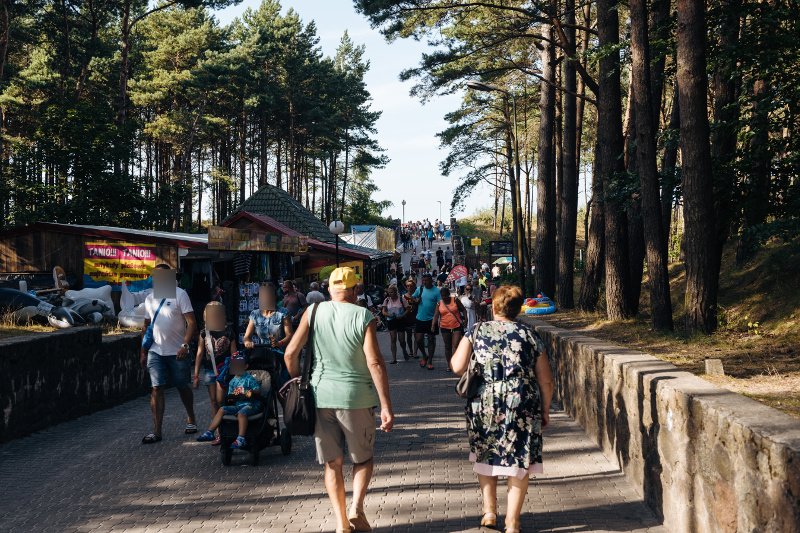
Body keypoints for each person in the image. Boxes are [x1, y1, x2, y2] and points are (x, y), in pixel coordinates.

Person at [284, 267, 394, 533]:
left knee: (332, 463)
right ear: (355, 290)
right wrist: (386, 406)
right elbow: (375, 362)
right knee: (363, 459)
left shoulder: (313, 312)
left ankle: (341, 522)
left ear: (329, 289)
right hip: (357, 398)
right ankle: (357, 507)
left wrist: (301, 381)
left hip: (321, 397)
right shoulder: (364, 315)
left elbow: (290, 353)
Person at [451, 285, 554, 533]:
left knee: (486, 454)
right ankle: (512, 521)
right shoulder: (530, 335)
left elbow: (457, 366)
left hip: (483, 402)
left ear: (494, 306)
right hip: (521, 403)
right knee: (520, 459)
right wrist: (546, 409)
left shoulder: (476, 331)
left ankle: (489, 512)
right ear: (518, 309)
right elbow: (546, 380)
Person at [140, 264, 198, 444]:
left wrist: (185, 345)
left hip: (177, 351)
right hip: (156, 351)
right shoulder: (149, 298)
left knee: (182, 385)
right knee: (156, 388)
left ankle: (191, 418)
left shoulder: (180, 294)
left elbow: (192, 322)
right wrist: (143, 350)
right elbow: (147, 326)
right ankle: (157, 430)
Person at [196, 352, 262, 449]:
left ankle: (241, 438)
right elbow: (230, 397)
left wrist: (246, 393)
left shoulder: (249, 379)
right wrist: (233, 396)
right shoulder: (232, 381)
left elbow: (257, 391)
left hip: (250, 404)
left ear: (245, 366)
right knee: (222, 409)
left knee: (241, 413)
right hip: (238, 404)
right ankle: (210, 432)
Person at [193, 301, 236, 445]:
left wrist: (235, 373)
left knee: (221, 400)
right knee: (213, 402)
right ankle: (218, 432)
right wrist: (196, 374)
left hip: (224, 370)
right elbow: (200, 353)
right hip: (209, 370)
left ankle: (228, 428)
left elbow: (234, 354)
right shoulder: (204, 332)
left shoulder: (229, 331)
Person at [431, 286, 467, 372]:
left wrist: (466, 319)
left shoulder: (455, 300)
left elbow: (464, 310)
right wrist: (433, 325)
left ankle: (456, 363)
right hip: (444, 326)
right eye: (442, 296)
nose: (444, 297)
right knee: (447, 347)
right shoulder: (439, 303)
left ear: (449, 294)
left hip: (456, 325)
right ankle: (449, 364)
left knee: (455, 345)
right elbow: (436, 315)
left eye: (446, 295)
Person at [411, 273, 441, 370]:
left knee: (431, 339)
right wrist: (415, 300)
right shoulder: (420, 289)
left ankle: (430, 360)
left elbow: (439, 305)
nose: (425, 282)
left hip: (431, 319)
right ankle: (424, 355)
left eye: (426, 280)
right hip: (420, 318)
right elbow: (412, 298)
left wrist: (435, 320)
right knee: (418, 339)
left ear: (431, 280)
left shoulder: (436, 291)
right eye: (423, 280)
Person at [381, 284, 410, 364]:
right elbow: (383, 311)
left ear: (396, 292)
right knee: (393, 339)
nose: (390, 294)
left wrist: (402, 315)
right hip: (391, 320)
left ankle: (404, 350)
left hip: (400, 320)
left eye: (392, 292)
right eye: (389, 292)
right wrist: (389, 314)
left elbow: (408, 309)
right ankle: (394, 358)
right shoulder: (386, 300)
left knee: (401, 340)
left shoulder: (401, 299)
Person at [402, 278, 419, 358]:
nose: (409, 287)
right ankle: (411, 351)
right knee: (408, 336)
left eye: (411, 286)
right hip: (407, 318)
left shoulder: (417, 295)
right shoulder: (403, 297)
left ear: (414, 286)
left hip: (416, 317)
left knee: (417, 337)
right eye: (408, 286)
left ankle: (415, 352)